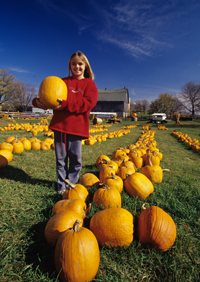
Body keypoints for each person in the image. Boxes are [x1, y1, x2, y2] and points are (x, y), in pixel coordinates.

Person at [32, 51, 98, 195]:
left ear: (85, 66)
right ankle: (61, 186)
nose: (77, 67)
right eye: (73, 64)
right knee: (60, 158)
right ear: (70, 66)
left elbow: (86, 103)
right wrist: (37, 102)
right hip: (60, 126)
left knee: (75, 158)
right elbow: (49, 96)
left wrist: (66, 105)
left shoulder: (89, 84)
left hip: (77, 127)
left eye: (80, 64)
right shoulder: (62, 82)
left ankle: (71, 184)